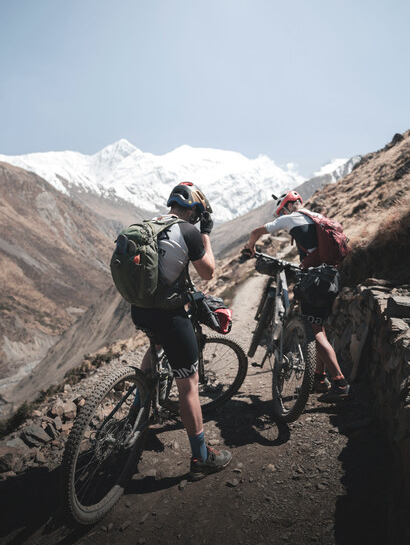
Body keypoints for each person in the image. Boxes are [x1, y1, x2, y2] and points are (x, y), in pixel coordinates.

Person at [130, 182, 232, 479]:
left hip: (139, 309)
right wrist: (206, 235)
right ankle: (201, 458)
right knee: (188, 383)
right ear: (196, 210)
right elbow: (208, 272)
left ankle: (136, 420)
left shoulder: (150, 224)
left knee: (155, 348)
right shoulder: (188, 232)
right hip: (168, 316)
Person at [244, 190, 349, 402]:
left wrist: (250, 248)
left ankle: (340, 383)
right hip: (331, 278)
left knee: (314, 332)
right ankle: (319, 380)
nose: (281, 214)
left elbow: (256, 231)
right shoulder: (317, 217)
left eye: (282, 209)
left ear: (289, 206)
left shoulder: (290, 218)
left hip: (315, 281)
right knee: (318, 329)